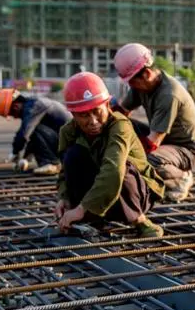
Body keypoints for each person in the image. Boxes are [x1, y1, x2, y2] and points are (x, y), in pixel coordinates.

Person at [55, 71, 165, 238]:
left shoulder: (120, 126)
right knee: (73, 156)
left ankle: (140, 221)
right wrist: (64, 199)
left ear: (107, 105)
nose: (92, 121)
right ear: (73, 115)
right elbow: (65, 171)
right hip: (102, 193)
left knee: (122, 167)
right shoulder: (68, 132)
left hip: (136, 193)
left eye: (97, 111)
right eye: (83, 115)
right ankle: (92, 217)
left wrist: (81, 209)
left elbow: (113, 170)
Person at [112, 43, 195, 201]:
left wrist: (121, 156)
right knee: (122, 124)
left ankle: (181, 178)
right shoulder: (141, 86)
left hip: (186, 150)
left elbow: (152, 143)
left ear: (147, 73)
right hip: (164, 142)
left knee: (148, 160)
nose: (131, 86)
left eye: (132, 82)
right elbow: (120, 112)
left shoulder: (169, 95)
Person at [0, 88, 71, 175]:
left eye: (12, 114)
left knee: (32, 129)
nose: (14, 117)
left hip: (69, 146)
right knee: (32, 129)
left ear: (15, 106)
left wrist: (15, 152)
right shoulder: (32, 105)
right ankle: (50, 162)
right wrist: (24, 158)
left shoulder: (34, 106)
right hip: (66, 144)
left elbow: (24, 134)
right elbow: (32, 139)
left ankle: (52, 163)